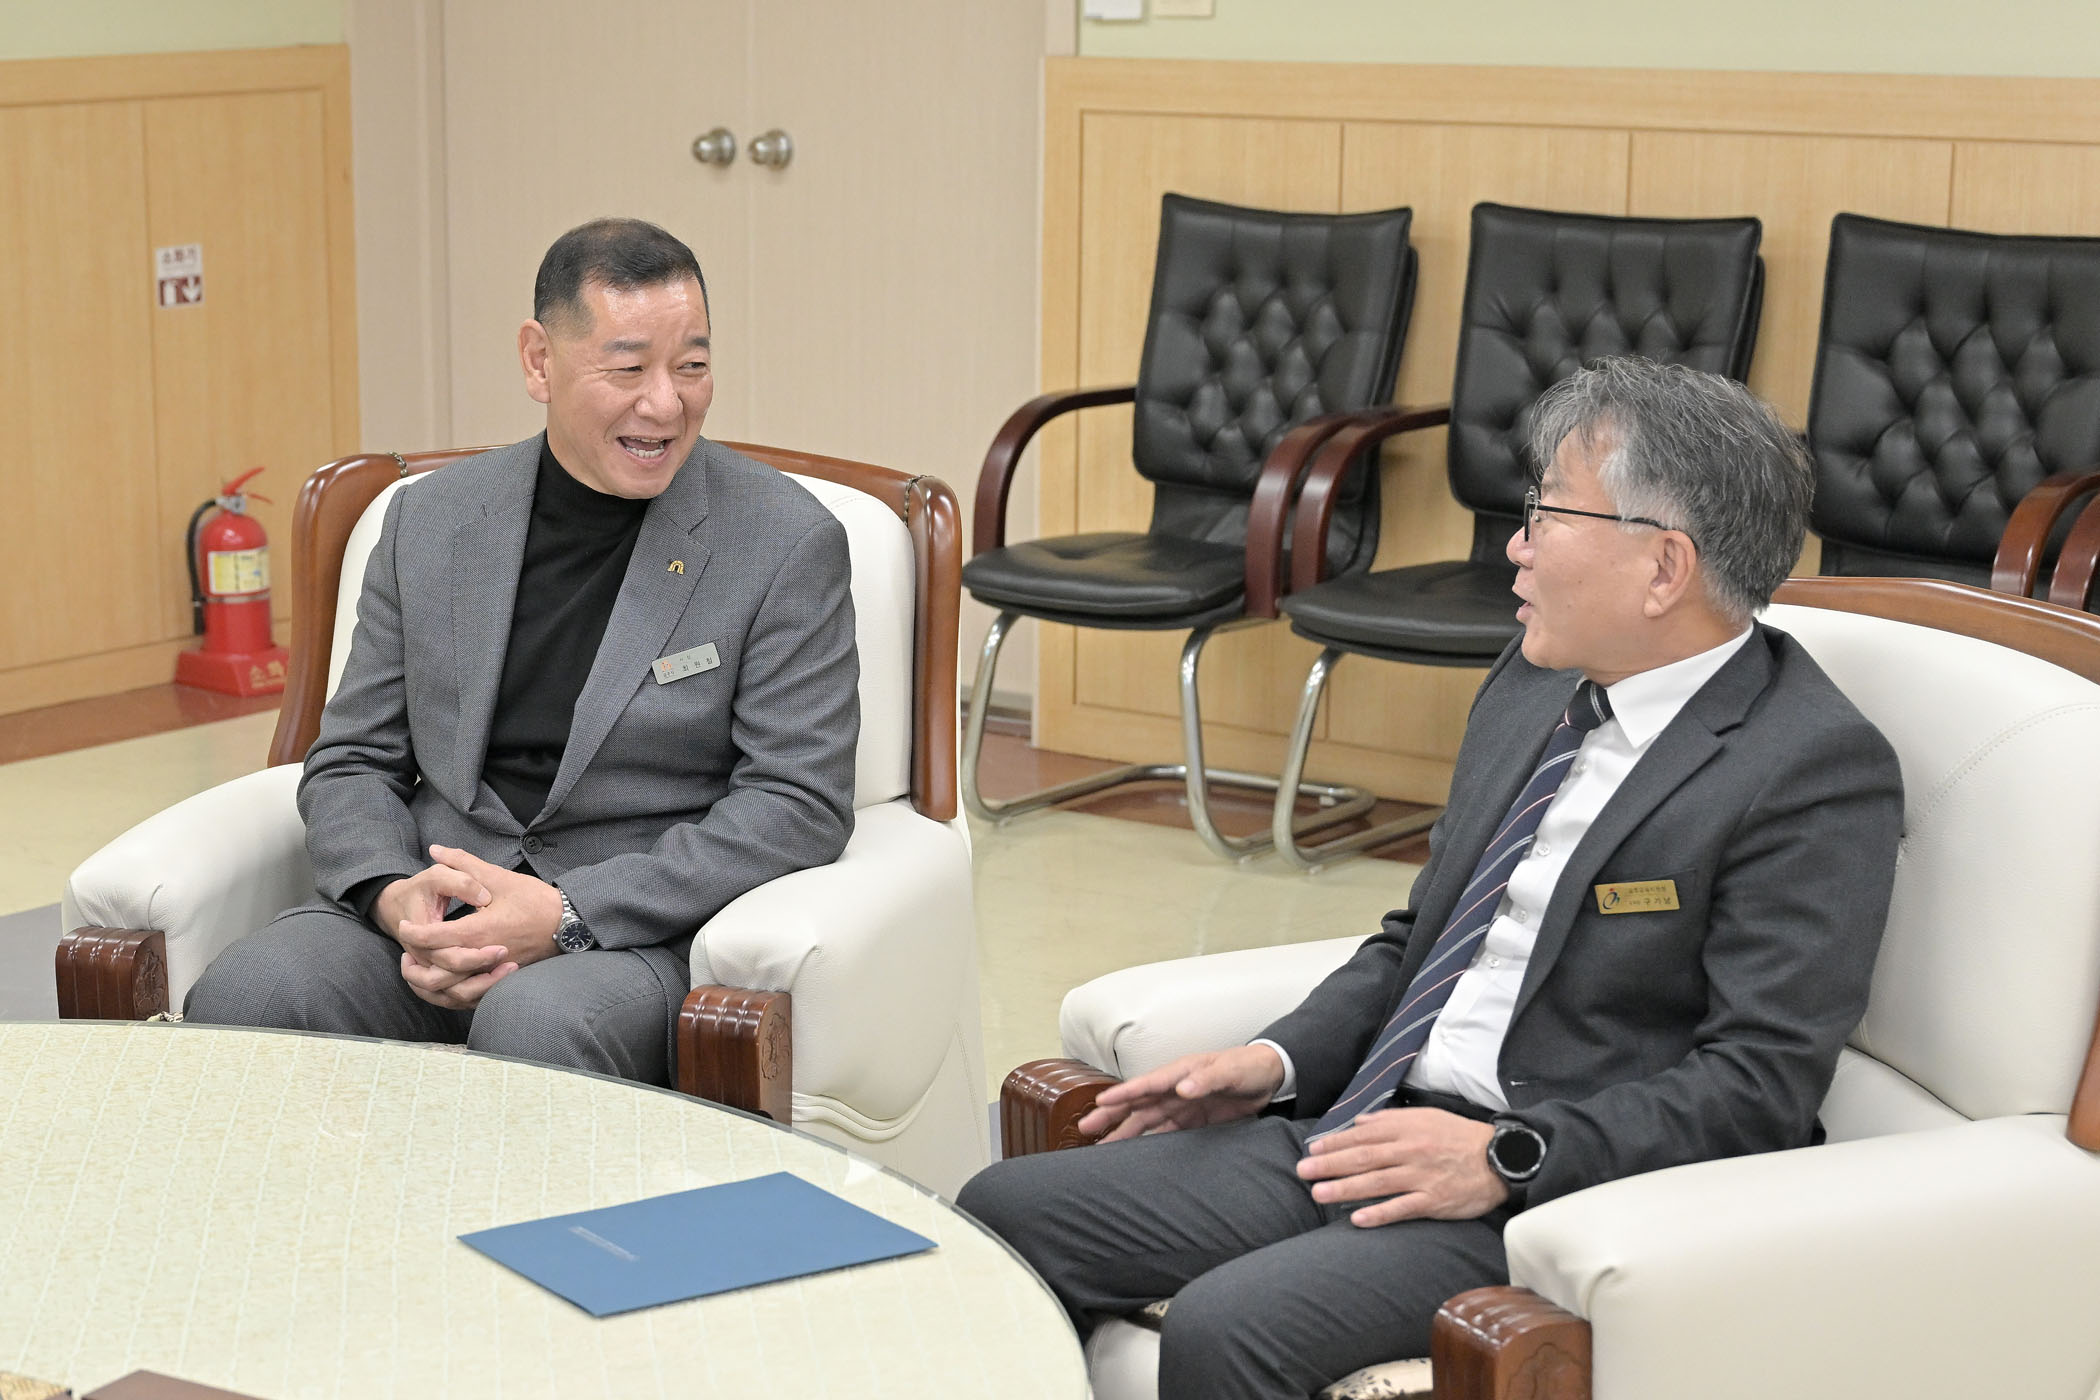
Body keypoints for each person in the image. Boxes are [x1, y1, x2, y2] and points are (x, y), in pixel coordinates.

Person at [958, 357, 1905, 1400]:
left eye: (1547, 514)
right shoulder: (1534, 680)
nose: (1515, 546)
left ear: (1663, 566)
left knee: (1232, 1327)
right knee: (1004, 1212)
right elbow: (1422, 938)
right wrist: (1277, 1058)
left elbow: (1759, 1085)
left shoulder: (1808, 766)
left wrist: (1501, 1156)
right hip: (1367, 1122)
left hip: (1540, 1192)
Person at [185, 218, 859, 1086]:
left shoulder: (782, 541)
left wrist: (569, 911)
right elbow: (353, 758)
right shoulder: (431, 519)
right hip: (434, 909)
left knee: (533, 1027)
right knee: (250, 993)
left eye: (691, 366)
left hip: (624, 935)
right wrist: (394, 896)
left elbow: (797, 800)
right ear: (540, 361)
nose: (665, 404)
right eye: (628, 369)